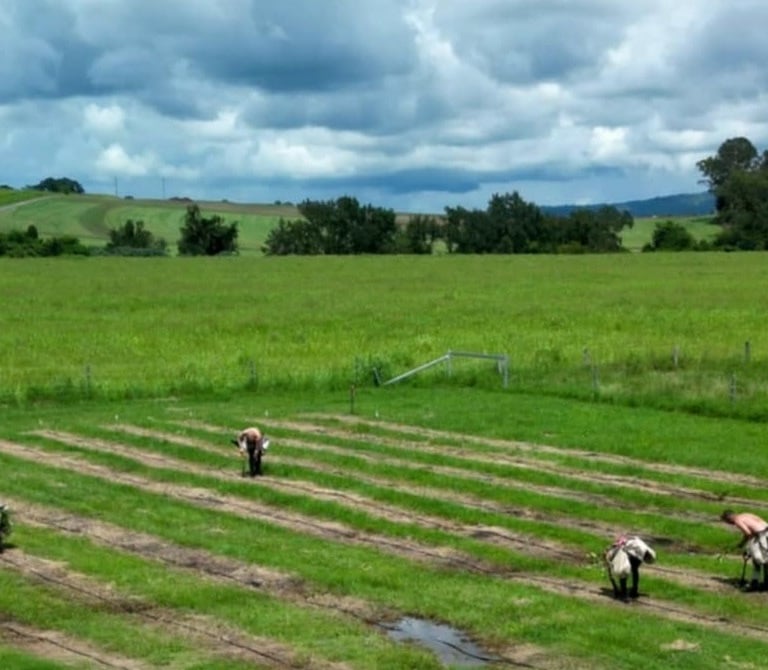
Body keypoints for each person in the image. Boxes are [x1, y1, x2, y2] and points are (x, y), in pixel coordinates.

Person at [721, 509, 768, 591]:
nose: (730, 524)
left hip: (761, 535)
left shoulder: (737, 520)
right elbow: (760, 521)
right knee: (765, 559)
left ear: (729, 518)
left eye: (727, 522)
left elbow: (748, 533)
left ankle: (755, 582)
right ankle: (765, 582)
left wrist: (742, 544)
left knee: (758, 560)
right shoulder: (745, 514)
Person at [604, 535, 656, 600]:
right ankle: (624, 593)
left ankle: (632, 590)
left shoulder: (642, 550)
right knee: (623, 570)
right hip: (623, 552)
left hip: (629, 552)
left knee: (632, 570)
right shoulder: (641, 549)